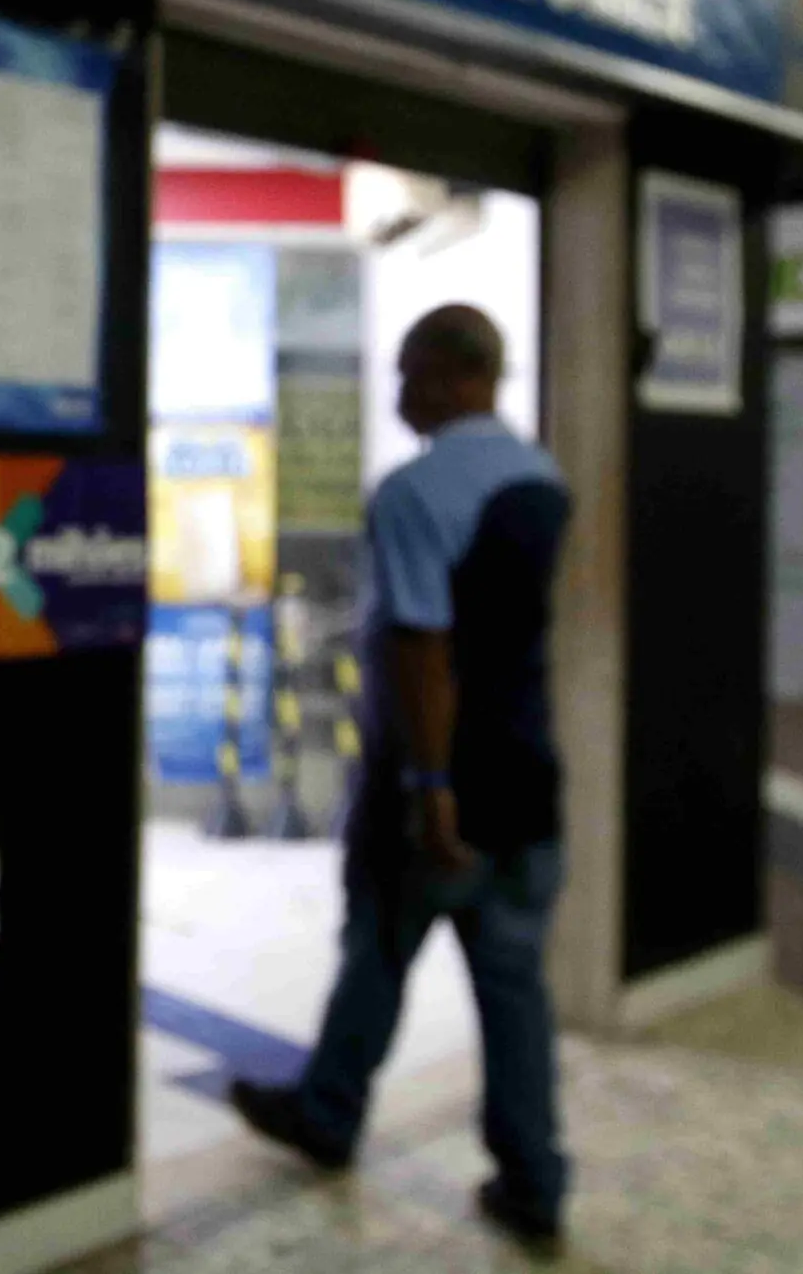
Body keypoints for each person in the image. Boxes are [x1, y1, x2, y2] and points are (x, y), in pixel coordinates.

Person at [230, 303, 574, 1254]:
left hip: (439, 789)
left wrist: (430, 788)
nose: (397, 392)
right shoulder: (542, 478)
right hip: (530, 779)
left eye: (409, 372)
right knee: (515, 989)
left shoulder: (415, 491)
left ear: (456, 374)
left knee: (378, 950)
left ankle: (329, 1116)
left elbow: (423, 647)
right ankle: (534, 1176)